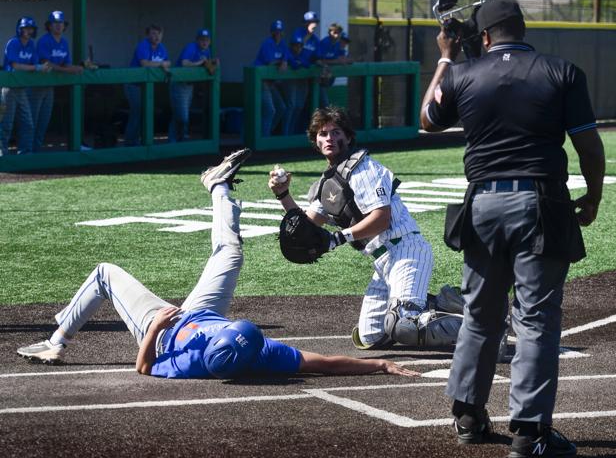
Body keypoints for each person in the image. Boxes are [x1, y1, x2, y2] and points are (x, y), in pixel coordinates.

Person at [16, 148, 418, 380]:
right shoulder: (258, 353)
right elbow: (322, 362)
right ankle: (218, 185)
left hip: (158, 327)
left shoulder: (190, 362)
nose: (238, 323)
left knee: (105, 272)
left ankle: (56, 342)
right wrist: (379, 364)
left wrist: (157, 324)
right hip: (201, 310)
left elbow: (144, 367)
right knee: (231, 253)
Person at [419, 0, 605, 458]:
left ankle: (468, 415)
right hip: (540, 202)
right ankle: (530, 432)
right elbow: (588, 145)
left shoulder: (463, 74)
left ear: (482, 37)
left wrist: (445, 56)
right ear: (523, 28)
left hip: (481, 203)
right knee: (537, 318)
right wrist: (594, 196)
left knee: (481, 312)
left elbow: (427, 119)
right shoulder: (561, 71)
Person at [269, 107, 459, 351]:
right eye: (323, 133)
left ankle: (481, 329)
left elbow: (381, 219)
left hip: (406, 251)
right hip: (382, 262)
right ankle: (437, 303)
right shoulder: (326, 185)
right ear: (316, 140)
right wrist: (282, 195)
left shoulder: (365, 169)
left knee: (404, 325)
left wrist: (339, 238)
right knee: (370, 337)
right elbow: (306, 227)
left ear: (348, 137)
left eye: (335, 132)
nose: (329, 138)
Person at [30, 10, 84, 152]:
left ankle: (36, 151)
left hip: (50, 87)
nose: (58, 26)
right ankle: (26, 153)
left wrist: (79, 67)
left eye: (60, 23)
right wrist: (68, 71)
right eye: (55, 23)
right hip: (37, 85)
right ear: (49, 26)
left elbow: (66, 63)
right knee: (31, 122)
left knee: (43, 121)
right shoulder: (44, 40)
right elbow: (46, 63)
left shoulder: (64, 42)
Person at [1, 16, 50, 156]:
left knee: (28, 123)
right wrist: (37, 67)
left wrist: (44, 68)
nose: (28, 31)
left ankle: (25, 153)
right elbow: (15, 66)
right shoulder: (13, 43)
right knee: (6, 123)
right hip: (9, 88)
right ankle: (2, 152)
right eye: (25, 28)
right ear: (19, 29)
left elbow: (35, 65)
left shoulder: (31, 45)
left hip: (22, 89)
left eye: (30, 28)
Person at [124, 24, 170, 146]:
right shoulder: (143, 45)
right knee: (137, 112)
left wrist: (163, 65)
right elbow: (144, 63)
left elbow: (167, 63)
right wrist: (161, 64)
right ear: (148, 34)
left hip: (147, 87)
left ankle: (139, 142)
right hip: (133, 84)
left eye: (159, 34)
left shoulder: (161, 47)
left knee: (145, 112)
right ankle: (130, 143)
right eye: (154, 33)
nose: (157, 36)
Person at [169, 28, 217, 142]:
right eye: (202, 40)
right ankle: (176, 139)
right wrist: (199, 63)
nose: (204, 42)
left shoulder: (207, 51)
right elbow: (185, 63)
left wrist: (214, 64)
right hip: (179, 83)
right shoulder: (191, 47)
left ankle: (176, 140)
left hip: (189, 85)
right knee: (182, 116)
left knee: (180, 115)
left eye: (206, 40)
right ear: (197, 40)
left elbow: (209, 69)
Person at [253, 20, 288, 136]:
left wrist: (285, 61)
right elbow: (269, 62)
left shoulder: (282, 43)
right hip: (261, 81)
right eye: (276, 32)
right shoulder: (267, 43)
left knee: (281, 108)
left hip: (271, 83)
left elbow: (287, 58)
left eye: (280, 32)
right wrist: (281, 62)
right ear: (272, 32)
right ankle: (264, 138)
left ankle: (266, 133)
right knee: (269, 110)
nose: (278, 34)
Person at [281, 29, 312, 135]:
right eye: (295, 45)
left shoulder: (305, 52)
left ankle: (292, 132)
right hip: (290, 82)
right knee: (291, 106)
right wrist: (297, 63)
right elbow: (293, 65)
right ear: (292, 45)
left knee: (299, 106)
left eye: (300, 45)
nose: (298, 48)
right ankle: (285, 133)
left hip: (302, 82)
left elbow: (307, 63)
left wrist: (299, 63)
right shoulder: (288, 51)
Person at [316, 23, 353, 108]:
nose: (337, 35)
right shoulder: (325, 43)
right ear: (329, 32)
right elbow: (319, 60)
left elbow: (345, 58)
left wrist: (343, 60)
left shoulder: (337, 44)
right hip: (318, 79)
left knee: (324, 104)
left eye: (339, 33)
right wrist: (336, 61)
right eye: (335, 32)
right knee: (324, 104)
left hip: (328, 79)